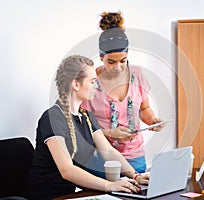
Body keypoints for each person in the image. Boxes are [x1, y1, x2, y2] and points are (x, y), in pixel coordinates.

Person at [27, 55, 149, 200]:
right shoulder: (53, 118)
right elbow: (67, 170)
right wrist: (109, 185)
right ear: (76, 84)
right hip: (47, 196)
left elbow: (108, 151)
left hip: (72, 195)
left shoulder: (86, 117)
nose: (97, 87)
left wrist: (135, 175)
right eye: (92, 82)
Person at [82, 12, 165, 173]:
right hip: (102, 159)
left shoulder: (137, 74)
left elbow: (144, 109)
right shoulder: (91, 81)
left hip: (136, 156)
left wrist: (153, 119)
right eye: (111, 62)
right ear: (101, 57)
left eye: (123, 61)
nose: (118, 67)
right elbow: (83, 126)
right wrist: (110, 133)